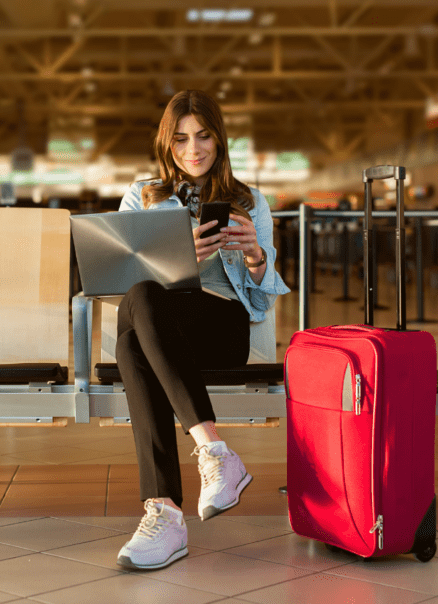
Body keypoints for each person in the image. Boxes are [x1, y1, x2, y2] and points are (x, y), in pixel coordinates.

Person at [114, 90, 290, 570]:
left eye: (204, 136)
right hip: (162, 324)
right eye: (181, 139)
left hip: (222, 325)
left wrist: (255, 256)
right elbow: (123, 283)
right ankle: (208, 458)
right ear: (166, 144)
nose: (194, 149)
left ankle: (165, 513)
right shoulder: (142, 196)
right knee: (139, 314)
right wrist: (176, 263)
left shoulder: (249, 201)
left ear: (220, 138)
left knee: (134, 337)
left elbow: (260, 296)